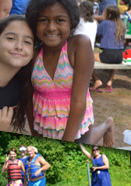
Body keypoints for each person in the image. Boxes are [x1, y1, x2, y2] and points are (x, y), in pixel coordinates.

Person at [25, 0, 114, 147]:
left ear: (71, 22)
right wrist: (34, 134)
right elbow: (28, 98)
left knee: (81, 145)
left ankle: (106, 125)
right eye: (43, 20)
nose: (51, 27)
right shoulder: (33, 54)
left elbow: (79, 101)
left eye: (59, 20)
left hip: (76, 117)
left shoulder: (79, 45)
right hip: (45, 122)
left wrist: (64, 146)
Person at [91, 5, 126, 93]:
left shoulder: (105, 23)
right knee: (113, 60)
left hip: (107, 55)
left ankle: (97, 80)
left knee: (86, 58)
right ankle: (109, 82)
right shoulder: (122, 24)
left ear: (109, 15)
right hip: (119, 56)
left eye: (104, 12)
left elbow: (96, 32)